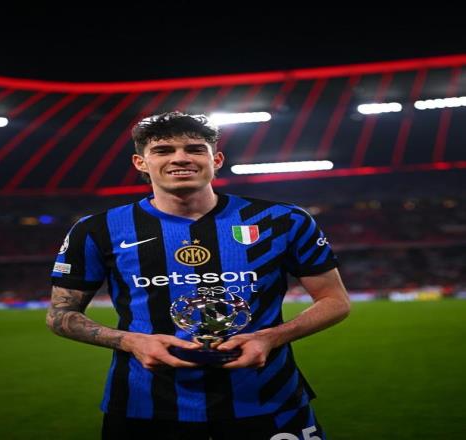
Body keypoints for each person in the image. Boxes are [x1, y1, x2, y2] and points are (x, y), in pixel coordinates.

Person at [47, 111, 350, 440]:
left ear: (216, 160)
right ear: (140, 163)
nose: (180, 158)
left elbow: (334, 300)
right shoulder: (97, 229)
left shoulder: (283, 220)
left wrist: (270, 338)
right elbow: (61, 314)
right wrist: (132, 341)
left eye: (194, 149)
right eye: (163, 150)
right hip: (144, 405)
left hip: (268, 399)